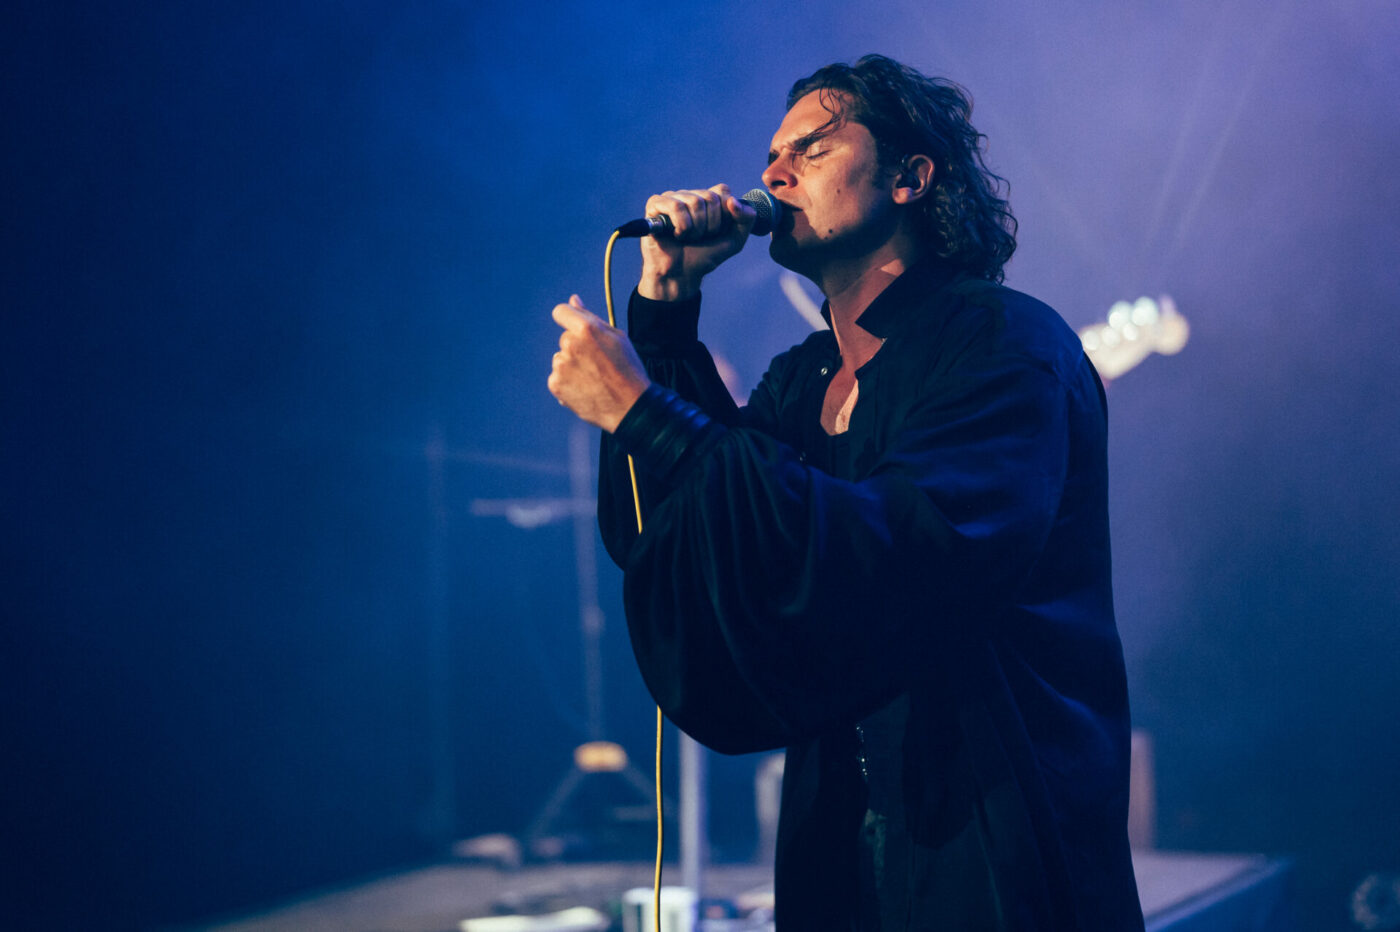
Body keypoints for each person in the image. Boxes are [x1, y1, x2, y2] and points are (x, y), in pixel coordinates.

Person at [547, 54, 1144, 930]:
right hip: (839, 840)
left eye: (813, 149)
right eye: (771, 156)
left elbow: (899, 550)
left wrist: (646, 411)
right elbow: (695, 538)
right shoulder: (803, 378)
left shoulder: (1006, 346)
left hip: (993, 835)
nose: (774, 174)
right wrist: (667, 314)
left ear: (909, 178)